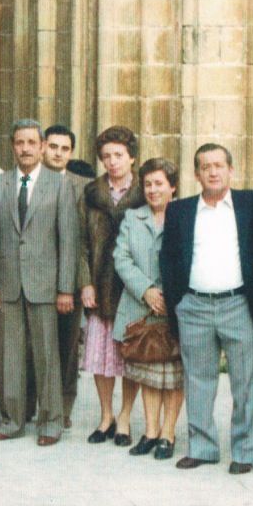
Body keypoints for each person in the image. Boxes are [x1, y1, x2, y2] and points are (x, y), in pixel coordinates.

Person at [160, 143, 253, 474]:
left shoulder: (251, 204)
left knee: (245, 382)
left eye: (219, 165)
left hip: (238, 304)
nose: (213, 172)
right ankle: (203, 448)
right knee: (198, 380)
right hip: (194, 306)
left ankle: (245, 451)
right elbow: (169, 260)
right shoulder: (180, 211)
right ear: (196, 174)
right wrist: (178, 303)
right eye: (206, 167)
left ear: (231, 170)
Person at [0, 119, 79, 446]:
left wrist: (65, 288)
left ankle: (51, 422)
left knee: (47, 355)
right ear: (12, 146)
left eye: (31, 143)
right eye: (19, 143)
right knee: (9, 355)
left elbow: (68, 240)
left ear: (42, 146)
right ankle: (11, 420)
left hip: (45, 285)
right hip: (7, 283)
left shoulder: (60, 185)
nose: (25, 148)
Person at [113, 157, 185, 461]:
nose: (153, 190)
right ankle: (151, 431)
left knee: (174, 374)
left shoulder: (185, 215)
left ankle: (168, 433)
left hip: (176, 307)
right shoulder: (133, 217)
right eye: (148, 184)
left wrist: (169, 295)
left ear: (173, 187)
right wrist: (146, 290)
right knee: (149, 371)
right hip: (140, 306)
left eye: (159, 183)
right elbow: (121, 258)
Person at [78, 126, 145, 446]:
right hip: (99, 282)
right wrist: (85, 283)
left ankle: (125, 416)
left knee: (130, 355)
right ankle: (106, 415)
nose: (112, 161)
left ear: (132, 157)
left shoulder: (145, 191)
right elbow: (80, 242)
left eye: (119, 155)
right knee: (101, 356)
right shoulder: (92, 192)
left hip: (132, 287)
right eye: (106, 156)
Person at [42, 123, 90, 429]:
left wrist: (79, 283)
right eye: (53, 147)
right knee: (34, 347)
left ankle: (63, 407)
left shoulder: (84, 186)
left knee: (67, 348)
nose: (58, 153)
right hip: (33, 278)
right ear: (43, 147)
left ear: (71, 153)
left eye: (65, 149)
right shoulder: (27, 181)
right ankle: (35, 404)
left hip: (69, 280)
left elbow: (83, 239)